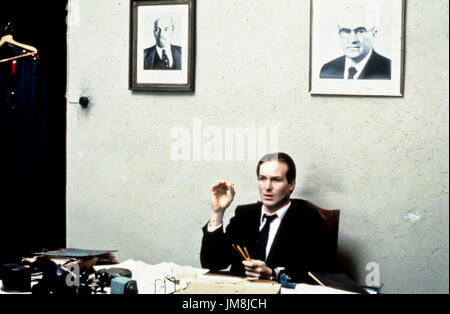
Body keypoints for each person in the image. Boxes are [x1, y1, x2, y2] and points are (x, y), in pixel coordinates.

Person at [200, 153, 334, 283]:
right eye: (262, 178)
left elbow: (320, 273)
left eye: (276, 179)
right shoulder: (245, 214)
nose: (267, 187)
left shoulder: (308, 219)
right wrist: (217, 212)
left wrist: (273, 274)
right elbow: (212, 262)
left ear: (291, 185)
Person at [320, 4, 391, 80]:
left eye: (360, 31)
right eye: (346, 31)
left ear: (374, 33)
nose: (352, 40)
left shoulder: (389, 70)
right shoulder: (327, 70)